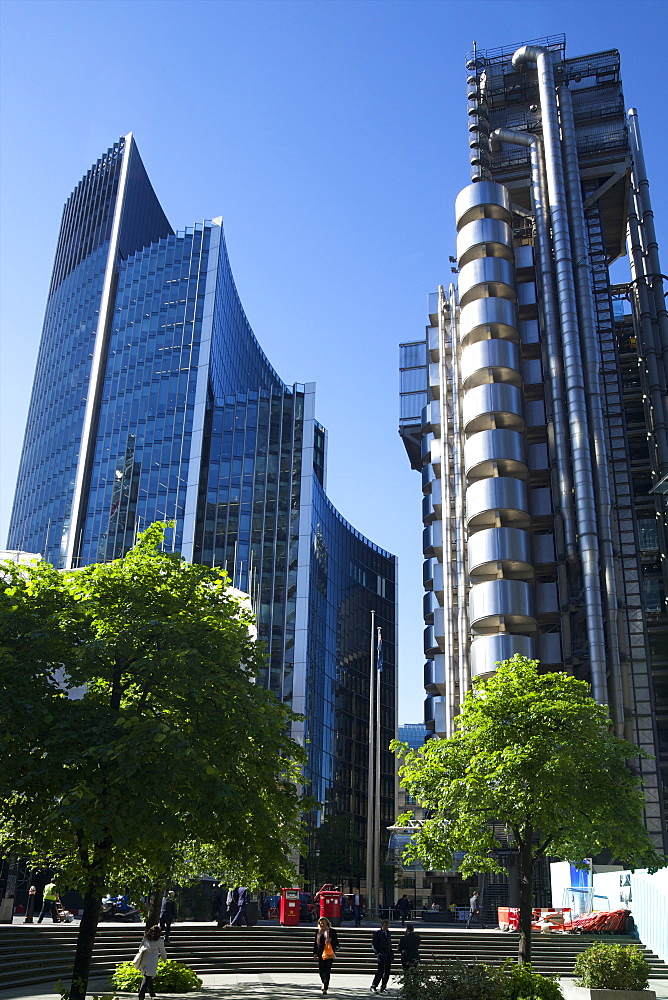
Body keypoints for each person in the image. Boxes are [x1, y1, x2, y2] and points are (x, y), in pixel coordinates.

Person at [134, 924, 167, 1000]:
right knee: (148, 977)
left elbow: (140, 947)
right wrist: (164, 959)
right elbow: (162, 951)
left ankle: (152, 992)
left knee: (148, 975)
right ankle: (141, 994)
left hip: (144, 958)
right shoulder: (159, 941)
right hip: (152, 960)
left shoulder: (145, 939)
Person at [313, 915, 339, 994]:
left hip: (329, 953)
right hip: (321, 953)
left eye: (323, 923)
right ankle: (323, 982)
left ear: (327, 923)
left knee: (327, 971)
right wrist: (314, 953)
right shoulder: (318, 932)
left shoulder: (332, 931)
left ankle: (325, 987)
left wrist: (334, 947)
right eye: (320, 923)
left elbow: (336, 942)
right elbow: (315, 944)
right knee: (321, 971)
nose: (322, 925)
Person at [370, 919, 393, 993]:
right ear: (382, 925)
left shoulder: (388, 933)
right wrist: (377, 953)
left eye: (388, 925)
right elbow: (374, 944)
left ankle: (383, 987)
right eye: (385, 925)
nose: (387, 927)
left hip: (388, 955)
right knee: (380, 971)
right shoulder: (378, 933)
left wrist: (391, 954)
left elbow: (389, 944)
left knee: (387, 972)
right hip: (381, 954)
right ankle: (374, 986)